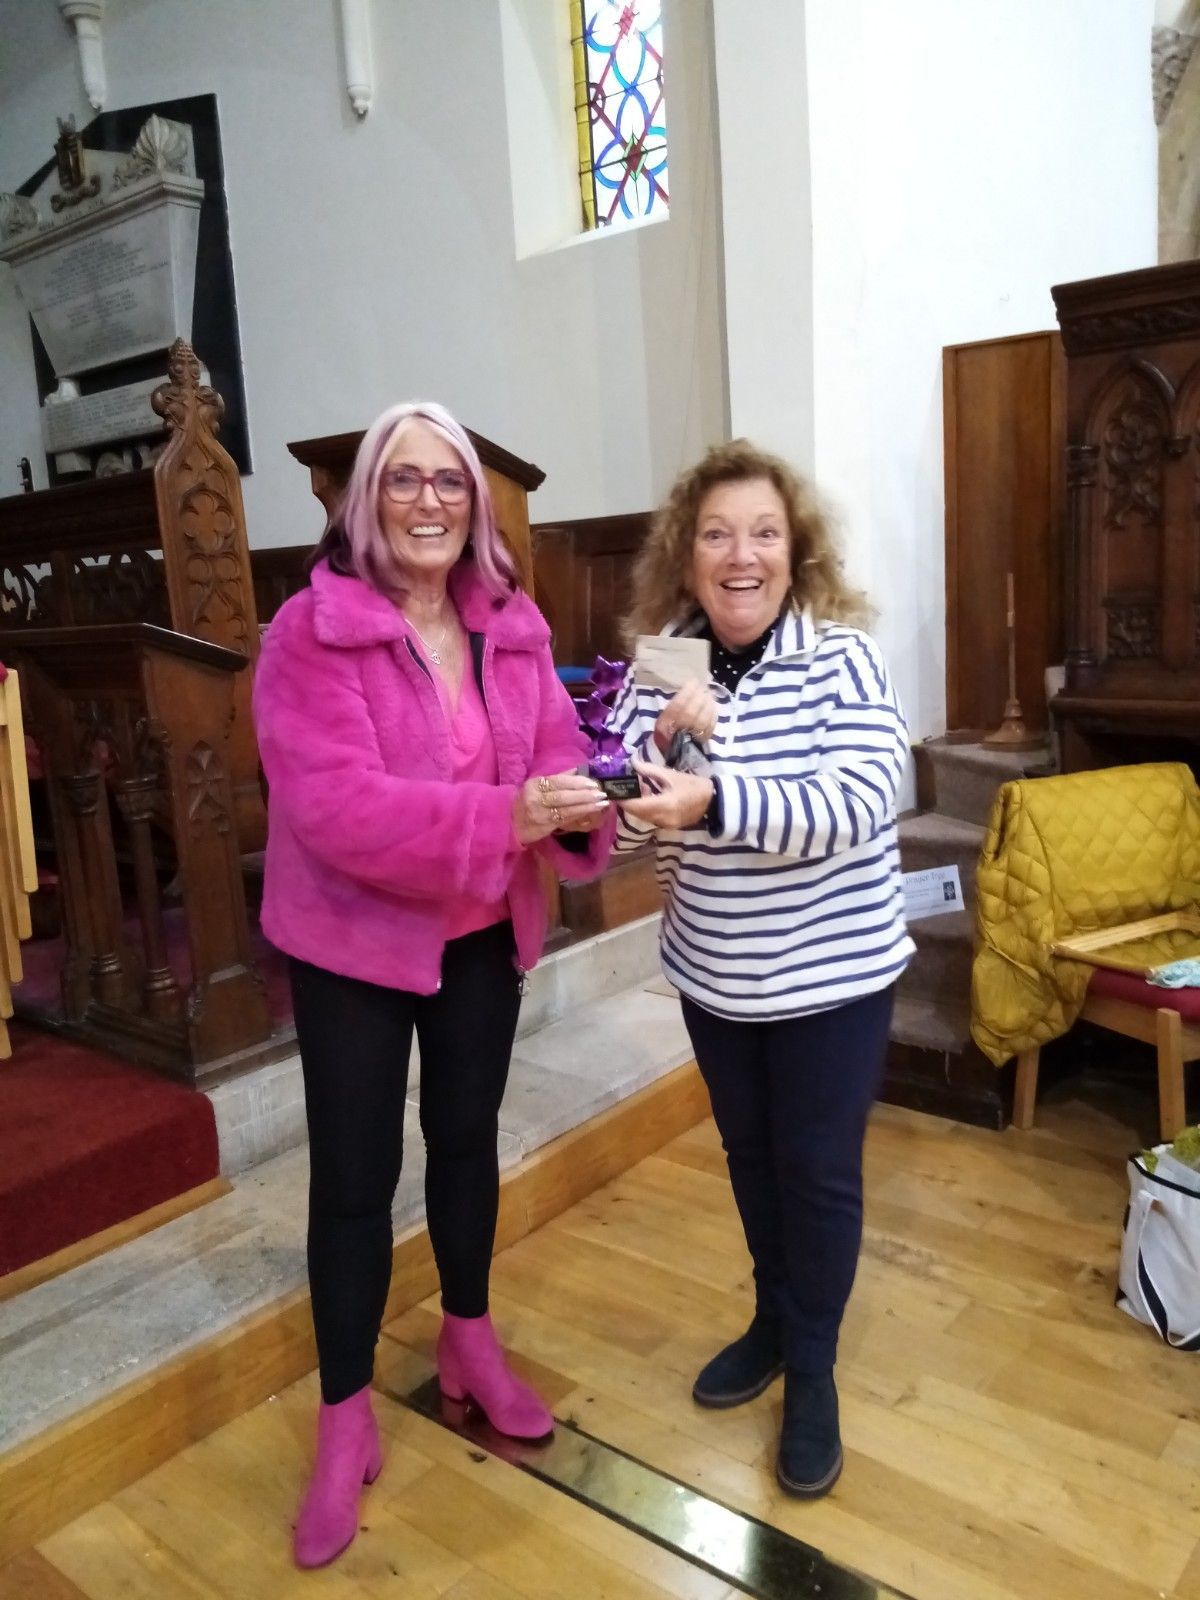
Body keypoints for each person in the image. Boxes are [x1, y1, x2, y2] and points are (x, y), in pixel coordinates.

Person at [253, 401, 614, 1568]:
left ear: (476, 503)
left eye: (448, 482)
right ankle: (344, 1416)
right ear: (365, 502)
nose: (427, 501)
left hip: (476, 934)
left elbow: (555, 741)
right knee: (356, 1182)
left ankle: (468, 1338)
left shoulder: (510, 622)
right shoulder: (310, 634)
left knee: (464, 1141)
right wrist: (503, 815)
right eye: (402, 481)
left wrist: (584, 795)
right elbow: (336, 808)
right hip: (354, 942)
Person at [608, 438, 913, 1499]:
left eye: (765, 533)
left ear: (797, 551)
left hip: (832, 980)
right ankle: (775, 1320)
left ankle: (815, 1370)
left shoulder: (842, 657)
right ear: (687, 556)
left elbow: (862, 799)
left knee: (817, 1173)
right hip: (718, 978)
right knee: (749, 1159)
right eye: (718, 534)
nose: (743, 555)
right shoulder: (659, 666)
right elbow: (631, 842)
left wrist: (716, 792)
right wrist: (647, 762)